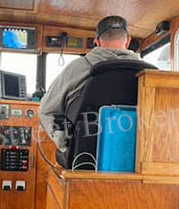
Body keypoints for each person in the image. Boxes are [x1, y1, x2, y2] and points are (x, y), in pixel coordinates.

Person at [39, 15, 141, 151]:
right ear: (128, 41)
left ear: (97, 42)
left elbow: (46, 110)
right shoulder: (149, 73)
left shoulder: (77, 67)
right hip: (135, 154)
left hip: (84, 153)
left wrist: (67, 146)